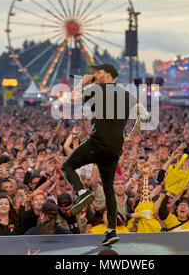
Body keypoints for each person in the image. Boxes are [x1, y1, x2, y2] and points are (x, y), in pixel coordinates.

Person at [62, 64, 141, 245]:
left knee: (67, 165)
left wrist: (82, 83)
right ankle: (112, 231)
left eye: (98, 72)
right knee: (108, 189)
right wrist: (129, 136)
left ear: (107, 75)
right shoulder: (126, 95)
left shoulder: (96, 90)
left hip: (98, 141)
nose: (95, 74)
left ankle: (82, 192)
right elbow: (142, 114)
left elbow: (72, 98)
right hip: (115, 147)